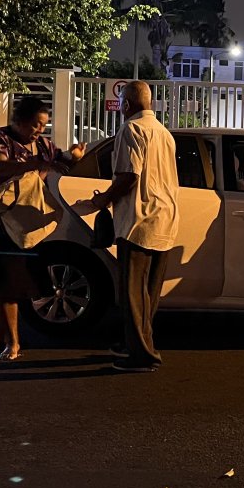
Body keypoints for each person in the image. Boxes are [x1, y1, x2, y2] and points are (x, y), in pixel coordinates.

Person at [0, 96, 84, 361]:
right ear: (20, 120)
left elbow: (61, 163)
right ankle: (13, 342)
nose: (39, 130)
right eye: (35, 124)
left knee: (12, 283)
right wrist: (37, 164)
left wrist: (74, 156)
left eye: (43, 125)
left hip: (28, 225)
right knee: (5, 284)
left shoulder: (44, 145)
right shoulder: (0, 137)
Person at [86, 81, 180, 373]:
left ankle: (143, 356)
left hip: (140, 218)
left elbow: (128, 176)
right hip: (165, 216)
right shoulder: (164, 134)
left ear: (127, 105)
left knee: (132, 290)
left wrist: (103, 199)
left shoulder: (131, 130)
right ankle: (137, 343)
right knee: (148, 292)